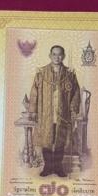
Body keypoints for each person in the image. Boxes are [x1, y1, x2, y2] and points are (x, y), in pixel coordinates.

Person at [28, 45, 80, 177]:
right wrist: (33, 111)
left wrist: (73, 108)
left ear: (64, 56)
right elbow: (34, 92)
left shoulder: (69, 74)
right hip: (45, 114)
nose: (57, 57)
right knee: (46, 141)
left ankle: (58, 167)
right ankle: (47, 167)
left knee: (60, 141)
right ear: (50, 56)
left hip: (62, 114)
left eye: (60, 54)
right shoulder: (41, 73)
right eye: (54, 54)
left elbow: (76, 92)